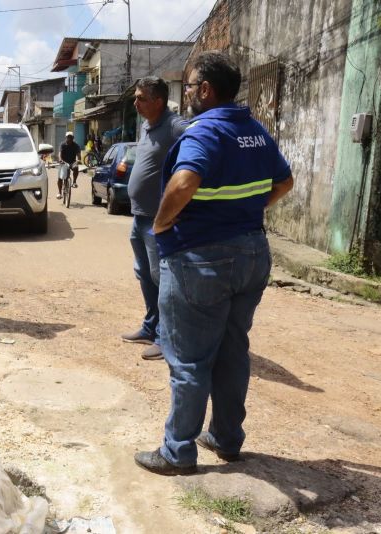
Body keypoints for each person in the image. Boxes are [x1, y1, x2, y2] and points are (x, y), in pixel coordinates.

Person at [134, 51, 294, 475]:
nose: (185, 94)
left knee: (189, 359)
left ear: (205, 90)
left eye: (187, 87)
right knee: (232, 350)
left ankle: (177, 451)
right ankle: (225, 438)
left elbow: (184, 181)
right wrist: (248, 211)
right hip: (252, 253)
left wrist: (163, 224)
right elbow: (285, 180)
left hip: (202, 258)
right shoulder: (254, 130)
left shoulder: (205, 129)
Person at [121, 77, 186, 361]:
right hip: (139, 216)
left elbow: (200, 136)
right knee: (144, 274)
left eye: (140, 98)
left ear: (158, 101)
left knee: (163, 278)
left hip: (159, 219)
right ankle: (151, 326)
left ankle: (167, 338)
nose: (135, 103)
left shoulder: (174, 125)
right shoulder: (147, 126)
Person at [58, 132, 81, 198]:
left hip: (72, 162)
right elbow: (60, 154)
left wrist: (78, 160)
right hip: (63, 162)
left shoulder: (76, 145)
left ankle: (74, 182)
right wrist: (60, 159)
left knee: (76, 167)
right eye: (68, 137)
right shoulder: (63, 145)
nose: (69, 139)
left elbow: (79, 155)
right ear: (66, 138)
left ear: (73, 138)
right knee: (60, 178)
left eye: (71, 137)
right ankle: (59, 193)